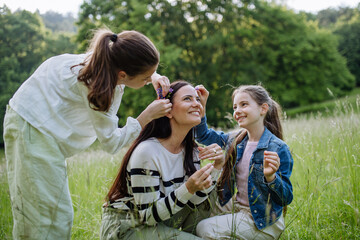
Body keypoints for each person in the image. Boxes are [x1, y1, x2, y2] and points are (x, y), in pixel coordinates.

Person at [3, 28, 173, 239]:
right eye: (146, 79)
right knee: (46, 219)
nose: (149, 82)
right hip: (31, 128)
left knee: (49, 214)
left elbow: (129, 65)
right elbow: (111, 143)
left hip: (32, 125)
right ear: (123, 75)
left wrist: (152, 75)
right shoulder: (97, 85)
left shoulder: (105, 60)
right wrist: (146, 116)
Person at [100, 81, 226, 240]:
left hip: (162, 222)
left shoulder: (191, 150)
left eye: (198, 100)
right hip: (129, 226)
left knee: (209, 198)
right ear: (168, 111)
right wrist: (188, 187)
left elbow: (195, 203)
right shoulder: (147, 152)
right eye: (188, 99)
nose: (196, 104)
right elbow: (148, 216)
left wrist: (217, 166)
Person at [194, 85, 294, 240]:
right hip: (237, 207)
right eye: (235, 107)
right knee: (196, 212)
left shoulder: (278, 148)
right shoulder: (236, 140)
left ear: (263, 109)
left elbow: (285, 198)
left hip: (262, 221)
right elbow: (203, 136)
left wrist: (271, 178)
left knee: (204, 228)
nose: (237, 111)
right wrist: (202, 105)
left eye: (244, 105)